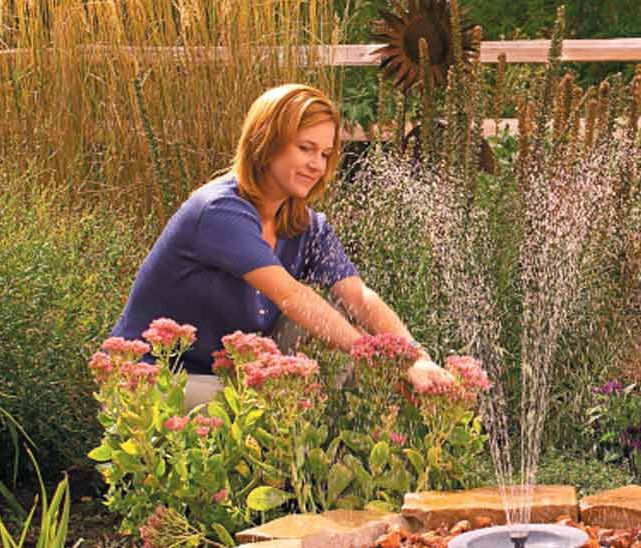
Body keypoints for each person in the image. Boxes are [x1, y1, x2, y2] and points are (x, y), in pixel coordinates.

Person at [113, 83, 447, 409]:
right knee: (289, 400)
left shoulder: (306, 227)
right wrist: (378, 359)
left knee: (337, 311)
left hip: (231, 381)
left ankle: (332, 428)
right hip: (156, 383)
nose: (317, 165)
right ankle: (311, 430)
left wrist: (416, 358)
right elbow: (292, 296)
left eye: (325, 154)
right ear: (267, 142)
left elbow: (358, 297)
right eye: (305, 148)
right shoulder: (219, 210)